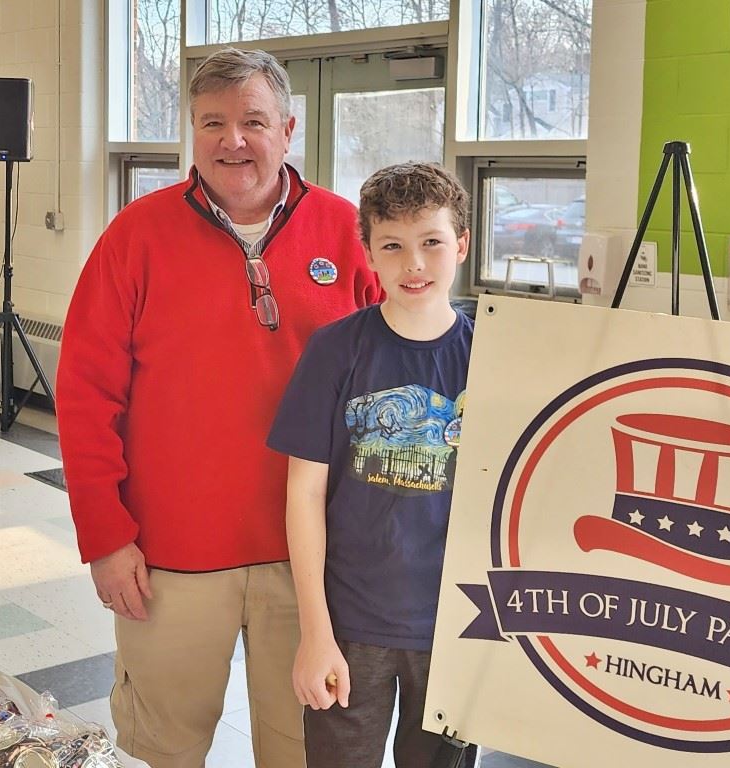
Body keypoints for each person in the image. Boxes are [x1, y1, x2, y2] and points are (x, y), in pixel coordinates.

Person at [55, 47, 382, 768]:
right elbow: (84, 396)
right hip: (169, 558)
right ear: (192, 132)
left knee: (305, 748)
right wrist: (105, 535)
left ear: (287, 130)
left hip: (313, 560)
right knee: (162, 748)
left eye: (253, 122)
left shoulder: (346, 232)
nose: (233, 140)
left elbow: (397, 378)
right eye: (213, 123)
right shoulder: (135, 236)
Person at [267, 162, 474, 768]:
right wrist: (315, 633)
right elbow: (303, 495)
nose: (414, 264)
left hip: (456, 625)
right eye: (393, 246)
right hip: (352, 623)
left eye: (432, 243)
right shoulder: (335, 350)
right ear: (368, 253)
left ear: (461, 244)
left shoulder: (492, 355)